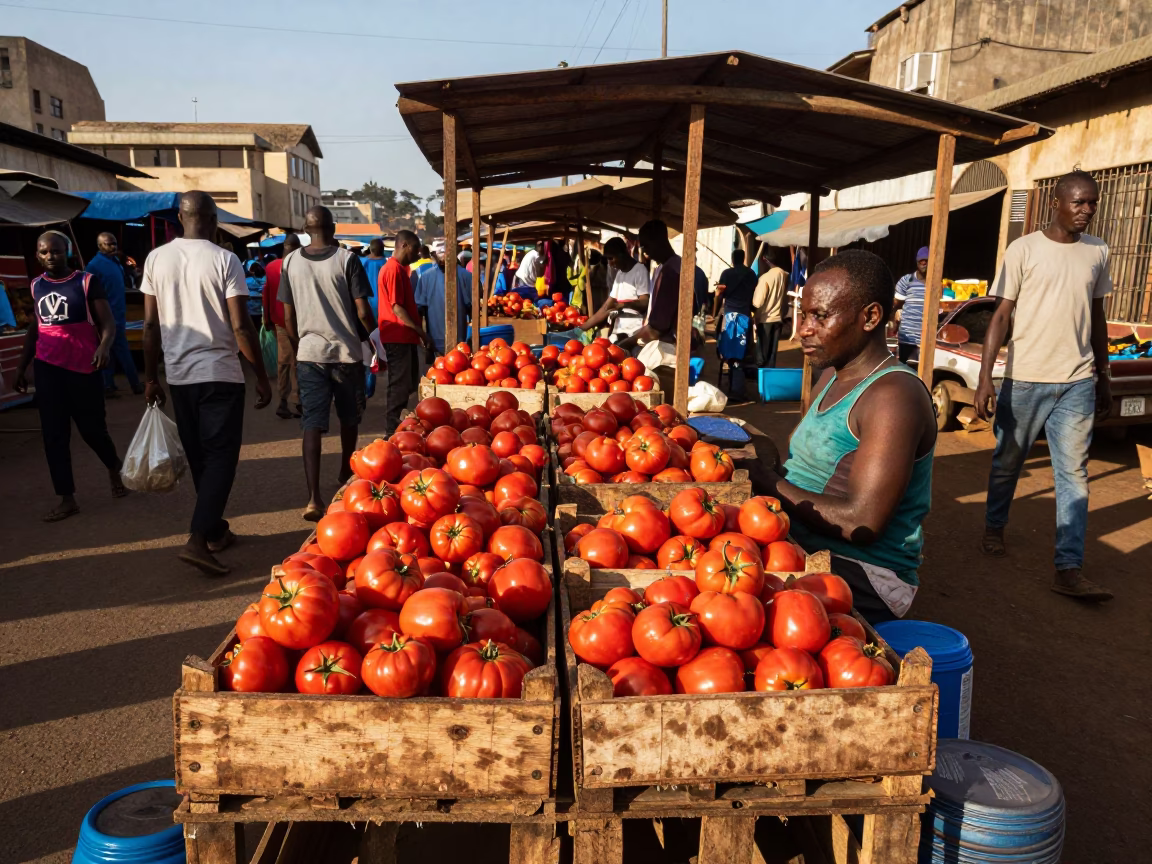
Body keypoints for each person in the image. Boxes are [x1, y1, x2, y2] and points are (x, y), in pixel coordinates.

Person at [760, 250, 937, 623]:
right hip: (807, 540)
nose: (804, 329)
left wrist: (770, 485)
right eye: (804, 314)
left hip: (867, 571)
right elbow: (805, 470)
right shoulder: (831, 374)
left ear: (871, 317)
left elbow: (862, 522)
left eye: (820, 316)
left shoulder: (893, 396)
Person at [974, 170, 1114, 602]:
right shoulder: (1024, 249)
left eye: (1093, 202)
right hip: (1026, 379)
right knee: (1007, 463)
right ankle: (995, 526)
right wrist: (985, 376)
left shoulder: (1098, 251)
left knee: (1073, 474)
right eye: (1079, 202)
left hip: (1077, 382)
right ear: (1056, 202)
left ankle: (1068, 568)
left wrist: (1104, 376)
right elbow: (1000, 315)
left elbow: (1098, 319)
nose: (1087, 210)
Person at [141, 191, 272, 576]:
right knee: (221, 458)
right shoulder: (224, 259)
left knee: (201, 456)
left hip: (180, 377)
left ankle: (214, 530)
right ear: (213, 219)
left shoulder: (156, 258)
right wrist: (262, 376)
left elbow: (150, 326)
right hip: (220, 374)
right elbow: (240, 325)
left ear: (180, 218)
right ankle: (198, 539)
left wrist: (151, 377)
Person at [14, 231, 127, 521]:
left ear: (68, 252)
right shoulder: (36, 285)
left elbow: (108, 324)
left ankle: (114, 467)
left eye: (56, 251)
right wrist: (21, 366)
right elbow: (35, 329)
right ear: (38, 255)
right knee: (54, 434)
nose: (50, 256)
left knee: (92, 430)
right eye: (44, 252)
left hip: (83, 367)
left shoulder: (86, 282)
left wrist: (103, 347)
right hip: (48, 368)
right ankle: (66, 498)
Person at [279, 206, 375, 521]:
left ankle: (312, 499)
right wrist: (371, 339)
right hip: (345, 354)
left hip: (309, 355)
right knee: (349, 419)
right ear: (333, 227)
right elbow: (362, 311)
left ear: (307, 228)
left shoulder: (289, 262)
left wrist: (299, 345)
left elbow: (288, 316)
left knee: (312, 425)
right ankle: (345, 479)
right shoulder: (347, 260)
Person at [618, 220, 705, 352]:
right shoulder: (669, 266)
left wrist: (625, 344)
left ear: (658, 241)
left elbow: (657, 328)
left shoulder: (670, 272)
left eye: (646, 246)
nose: (646, 252)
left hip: (667, 349)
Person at [378, 229, 431, 434]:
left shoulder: (401, 270)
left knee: (408, 383)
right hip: (397, 335)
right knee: (399, 384)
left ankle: (398, 422)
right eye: (416, 249)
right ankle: (392, 431)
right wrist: (421, 331)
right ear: (404, 246)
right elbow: (397, 308)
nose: (418, 254)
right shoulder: (392, 270)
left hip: (405, 336)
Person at [86, 232, 143, 396]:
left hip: (119, 313)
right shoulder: (93, 266)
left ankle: (108, 385)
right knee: (122, 350)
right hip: (106, 317)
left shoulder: (116, 261)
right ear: (99, 246)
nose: (113, 247)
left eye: (114, 243)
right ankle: (135, 384)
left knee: (109, 350)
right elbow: (89, 293)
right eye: (108, 244)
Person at [263, 233, 301, 419]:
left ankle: (287, 400)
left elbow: (266, 292)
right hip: (296, 322)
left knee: (285, 361)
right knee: (296, 361)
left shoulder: (271, 267)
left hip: (278, 321)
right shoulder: (300, 267)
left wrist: (266, 317)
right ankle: (293, 401)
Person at [580, 237, 649, 340]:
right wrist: (582, 328)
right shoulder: (620, 274)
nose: (610, 263)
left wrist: (625, 305)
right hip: (619, 330)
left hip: (634, 333)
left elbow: (645, 302)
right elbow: (607, 306)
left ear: (623, 253)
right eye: (607, 259)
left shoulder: (640, 270)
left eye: (611, 258)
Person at [715, 249, 759, 402]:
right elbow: (755, 295)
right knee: (741, 352)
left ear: (733, 259)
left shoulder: (727, 274)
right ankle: (736, 386)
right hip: (745, 316)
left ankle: (736, 390)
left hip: (730, 316)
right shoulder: (752, 274)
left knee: (730, 354)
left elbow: (719, 295)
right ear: (744, 258)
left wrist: (714, 312)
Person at [414, 245, 472, 354]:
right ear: (434, 255)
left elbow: (473, 309)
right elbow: (419, 310)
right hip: (435, 341)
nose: (443, 257)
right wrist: (422, 336)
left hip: (460, 341)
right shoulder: (426, 277)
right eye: (440, 254)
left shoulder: (466, 277)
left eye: (446, 253)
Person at [751, 249, 789, 368]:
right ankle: (769, 379)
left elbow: (757, 302)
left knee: (761, 356)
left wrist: (754, 317)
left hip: (766, 319)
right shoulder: (784, 275)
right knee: (772, 356)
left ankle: (760, 380)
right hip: (778, 319)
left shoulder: (765, 278)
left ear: (765, 260)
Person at [893, 247, 929, 364]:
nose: (923, 263)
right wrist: (895, 317)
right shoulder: (907, 280)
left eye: (926, 260)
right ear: (917, 262)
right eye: (921, 261)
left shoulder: (936, 283)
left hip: (926, 339)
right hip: (907, 337)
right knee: (905, 369)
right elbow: (896, 304)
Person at [360, 238, 389, 319]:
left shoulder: (361, 262)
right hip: (383, 302)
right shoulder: (386, 264)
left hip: (365, 302)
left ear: (371, 249)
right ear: (383, 249)